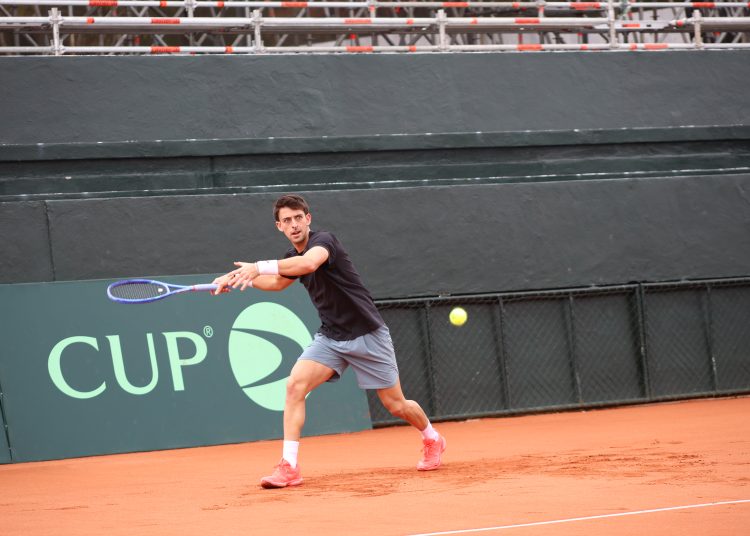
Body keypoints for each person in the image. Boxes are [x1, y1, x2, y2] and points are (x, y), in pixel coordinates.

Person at [212, 194, 446, 489]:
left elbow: (308, 264)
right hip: (331, 337)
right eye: (287, 220)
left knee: (396, 405)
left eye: (298, 218)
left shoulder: (324, 242)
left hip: (367, 334)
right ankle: (289, 466)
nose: (294, 225)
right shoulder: (289, 257)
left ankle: (432, 438)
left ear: (308, 219)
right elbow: (275, 282)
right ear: (279, 226)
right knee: (294, 386)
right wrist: (234, 278)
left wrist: (258, 266)